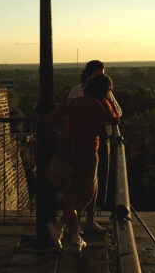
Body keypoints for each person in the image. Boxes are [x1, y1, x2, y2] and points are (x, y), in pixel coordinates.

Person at [44, 73, 119, 252]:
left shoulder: (72, 103)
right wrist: (110, 101)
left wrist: (55, 139)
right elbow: (115, 119)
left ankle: (73, 236)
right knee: (87, 194)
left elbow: (49, 120)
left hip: (67, 151)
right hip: (88, 153)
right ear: (105, 90)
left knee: (71, 195)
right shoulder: (103, 105)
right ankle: (61, 225)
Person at [67, 60, 122, 233]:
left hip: (100, 140)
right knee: (81, 184)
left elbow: (118, 113)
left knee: (98, 182)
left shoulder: (105, 93)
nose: (101, 77)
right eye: (99, 74)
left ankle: (87, 221)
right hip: (82, 142)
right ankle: (72, 222)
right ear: (89, 74)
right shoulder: (77, 91)